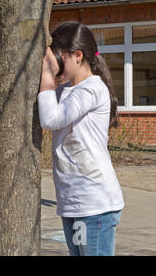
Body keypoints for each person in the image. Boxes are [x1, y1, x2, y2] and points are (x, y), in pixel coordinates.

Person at [38, 21, 124, 256]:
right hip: (73, 202)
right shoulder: (64, 90)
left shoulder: (92, 89)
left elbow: (51, 120)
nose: (54, 65)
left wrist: (46, 76)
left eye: (59, 57)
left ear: (77, 55)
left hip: (95, 203)